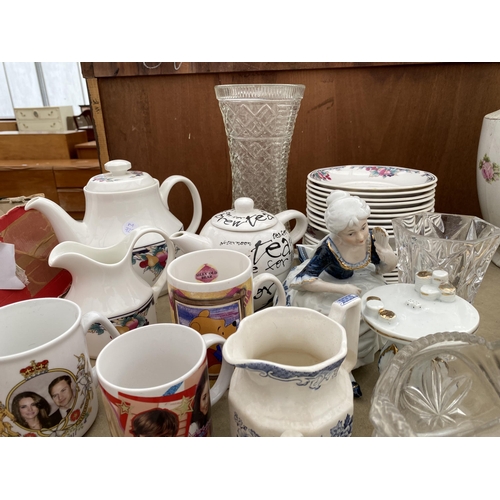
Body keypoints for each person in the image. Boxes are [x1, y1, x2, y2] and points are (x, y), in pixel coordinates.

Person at [283, 190, 398, 380]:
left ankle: (359, 355)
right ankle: (336, 358)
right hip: (329, 283)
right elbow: (301, 281)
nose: (360, 237)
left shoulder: (369, 239)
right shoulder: (329, 248)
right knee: (339, 315)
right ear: (338, 232)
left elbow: (383, 268)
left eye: (363, 227)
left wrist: (386, 252)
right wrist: (342, 289)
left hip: (362, 279)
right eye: (351, 233)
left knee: (372, 307)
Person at [189, 369, 212, 437]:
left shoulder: (204, 419)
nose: (207, 401)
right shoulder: (193, 427)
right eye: (204, 397)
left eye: (208, 394)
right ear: (197, 399)